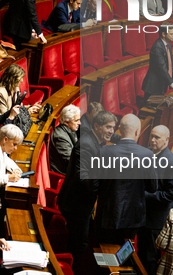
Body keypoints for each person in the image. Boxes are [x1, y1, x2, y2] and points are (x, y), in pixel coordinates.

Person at [58, 110, 117, 265]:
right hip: (75, 205)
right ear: (96, 126)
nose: (111, 131)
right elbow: (82, 177)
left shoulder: (93, 140)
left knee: (83, 242)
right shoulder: (86, 145)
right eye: (108, 127)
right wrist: (104, 189)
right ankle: (70, 269)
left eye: (113, 128)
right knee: (79, 245)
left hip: (81, 203)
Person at [93, 114, 158, 244]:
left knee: (102, 251)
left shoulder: (104, 152)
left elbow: (94, 184)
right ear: (137, 131)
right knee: (124, 256)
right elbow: (153, 187)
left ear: (120, 130)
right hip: (133, 217)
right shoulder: (147, 155)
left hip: (107, 214)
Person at [139, 125, 173, 275]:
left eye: (157, 137)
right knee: (139, 252)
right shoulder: (147, 153)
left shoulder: (171, 162)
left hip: (155, 220)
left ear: (167, 140)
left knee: (149, 258)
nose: (153, 140)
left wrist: (145, 196)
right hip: (141, 215)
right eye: (152, 136)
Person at [142, 23, 173, 100]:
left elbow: (171, 65)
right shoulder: (157, 47)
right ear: (163, 34)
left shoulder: (168, 45)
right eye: (171, 34)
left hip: (161, 85)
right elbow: (162, 69)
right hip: (153, 88)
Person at [49, 105, 80, 175]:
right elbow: (73, 161)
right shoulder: (60, 137)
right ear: (66, 122)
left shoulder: (70, 128)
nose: (79, 123)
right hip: (65, 175)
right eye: (76, 121)